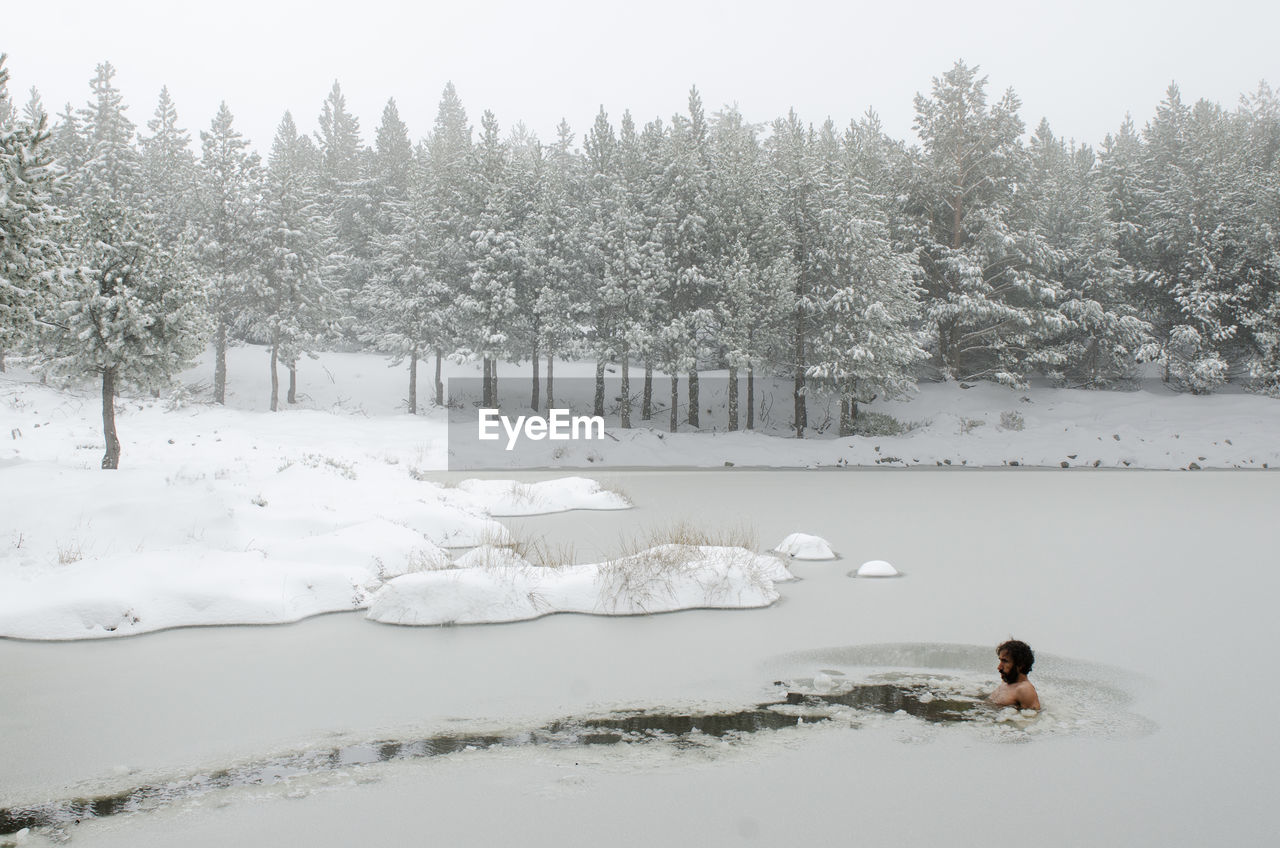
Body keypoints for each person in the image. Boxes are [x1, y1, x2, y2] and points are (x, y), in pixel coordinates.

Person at [988, 639, 1041, 711]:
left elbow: (1032, 718)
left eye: (1005, 661)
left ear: (1020, 665)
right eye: (1000, 661)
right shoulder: (1006, 682)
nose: (999, 667)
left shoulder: (1025, 690)